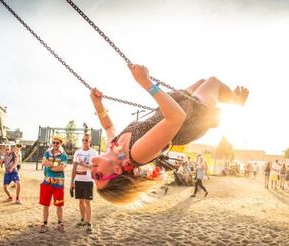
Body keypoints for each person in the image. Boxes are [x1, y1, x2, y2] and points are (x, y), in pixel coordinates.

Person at [89, 64, 248, 204]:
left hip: (173, 106)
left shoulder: (113, 147)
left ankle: (232, 98)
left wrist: (98, 104)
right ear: (116, 171)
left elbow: (109, 127)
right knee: (213, 82)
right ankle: (236, 101)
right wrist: (146, 82)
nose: (92, 173)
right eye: (98, 177)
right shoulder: (137, 154)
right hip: (190, 119)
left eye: (92, 178)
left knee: (202, 81)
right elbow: (176, 118)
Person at [39, 136, 68, 233]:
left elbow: (61, 168)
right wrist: (55, 165)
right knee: (45, 204)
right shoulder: (47, 152)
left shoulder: (64, 155)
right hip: (47, 182)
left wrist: (50, 165)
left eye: (57, 143)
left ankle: (60, 223)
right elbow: (43, 162)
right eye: (53, 142)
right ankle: (44, 223)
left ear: (61, 144)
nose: (55, 144)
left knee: (59, 204)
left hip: (58, 184)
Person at [71, 134, 97, 234]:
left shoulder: (93, 152)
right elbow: (74, 168)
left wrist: (83, 164)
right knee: (81, 201)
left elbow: (94, 167)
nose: (84, 141)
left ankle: (89, 223)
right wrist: (72, 182)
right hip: (78, 180)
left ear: (90, 141)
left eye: (86, 140)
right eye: (83, 140)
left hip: (88, 180)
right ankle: (82, 220)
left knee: (87, 202)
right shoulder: (77, 152)